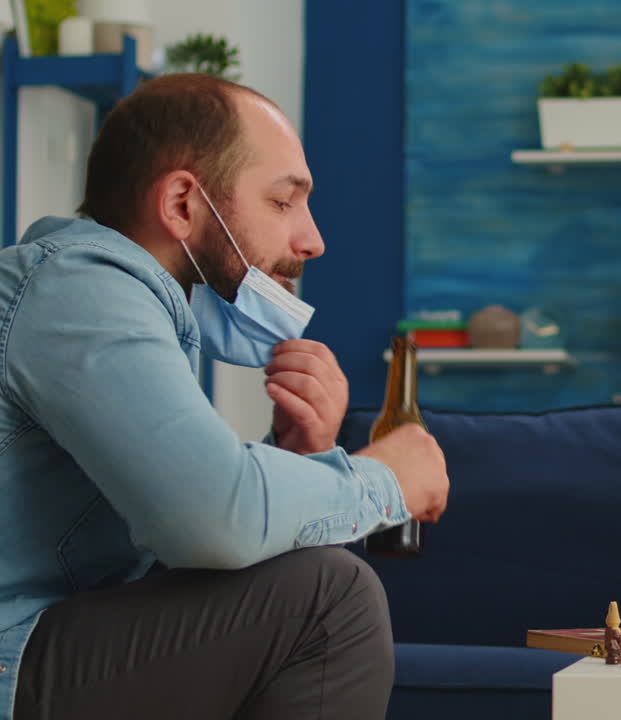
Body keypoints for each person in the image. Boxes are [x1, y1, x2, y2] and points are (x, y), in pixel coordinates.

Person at [0, 74, 450, 719]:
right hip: (14, 651)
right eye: (282, 202)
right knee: (326, 597)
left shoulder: (134, 308)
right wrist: (384, 480)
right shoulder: (80, 289)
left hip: (44, 643)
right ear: (183, 202)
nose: (312, 239)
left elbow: (172, 539)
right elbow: (212, 521)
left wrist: (297, 455)